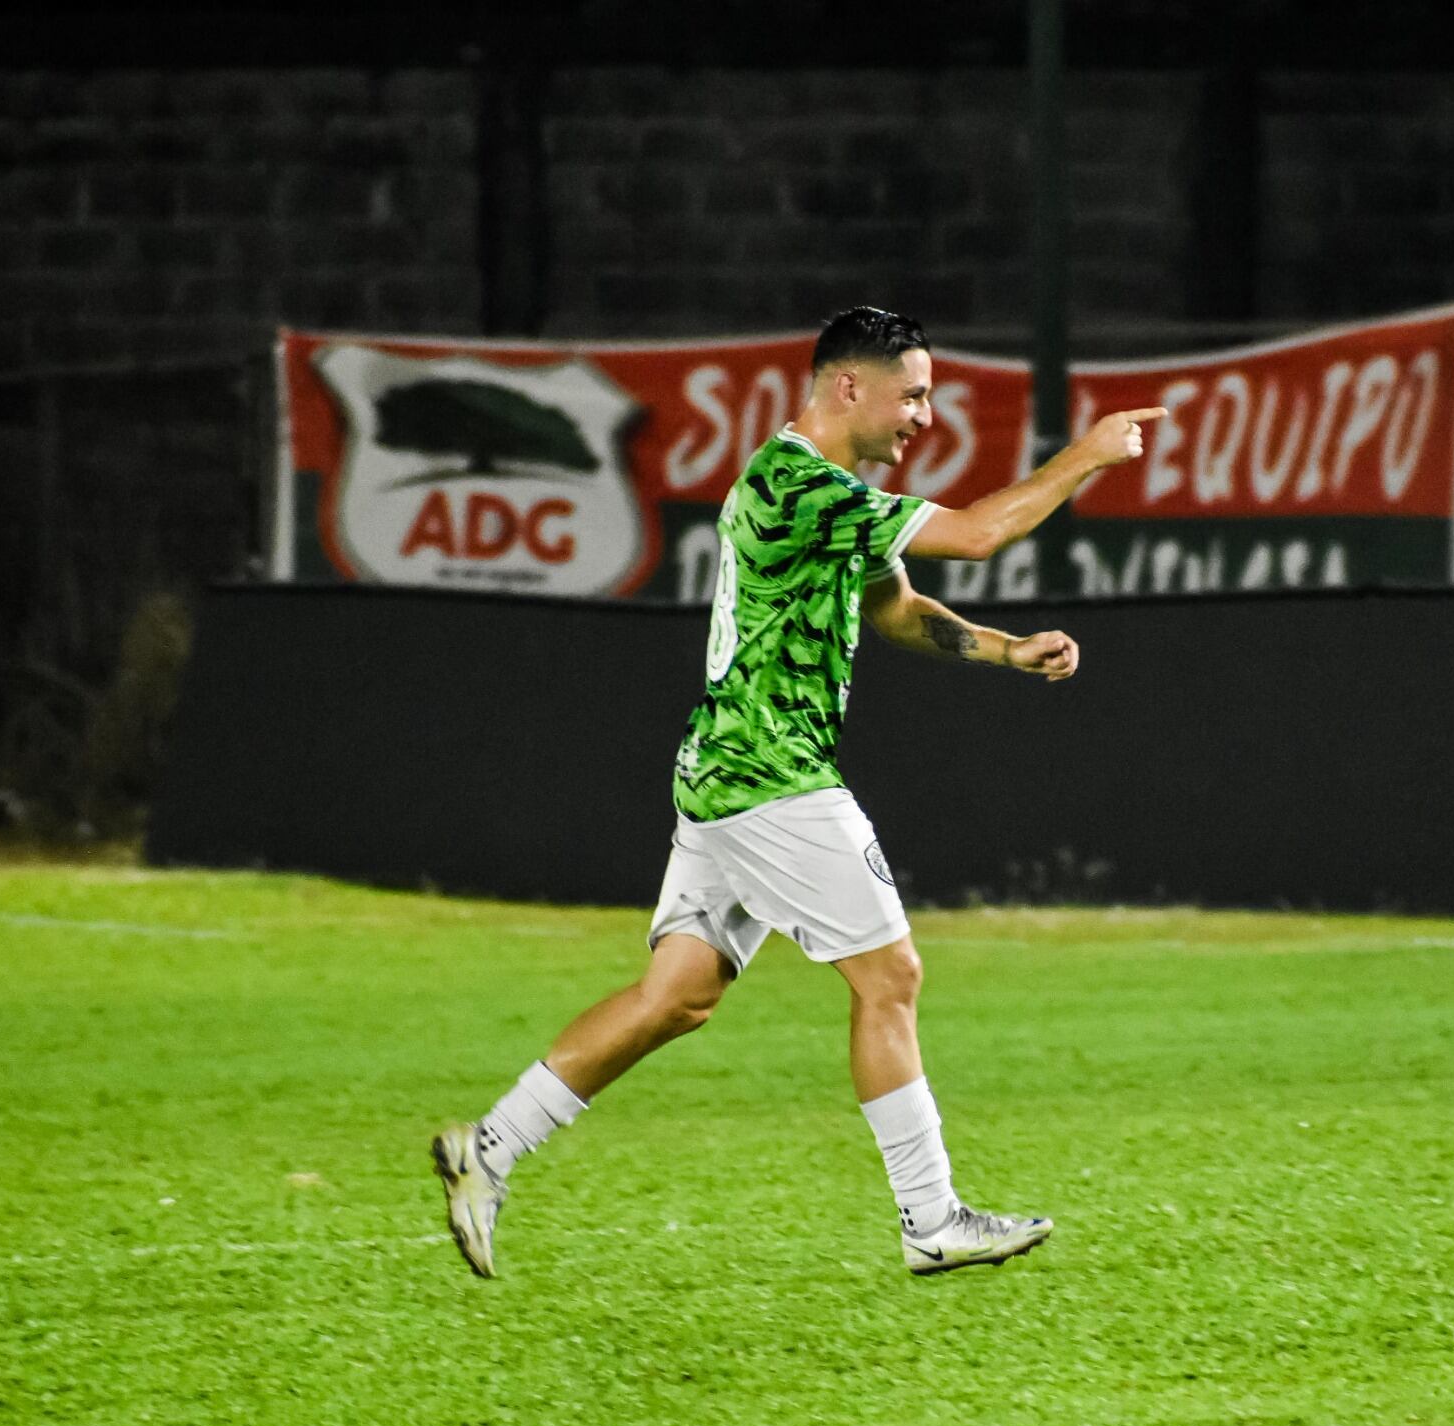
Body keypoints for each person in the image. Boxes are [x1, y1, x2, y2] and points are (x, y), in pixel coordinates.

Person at [431, 306, 1165, 1277]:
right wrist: (1090, 454)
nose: (924, 417)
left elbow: (894, 608)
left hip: (724, 771)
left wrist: (1007, 649)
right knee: (890, 976)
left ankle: (487, 1146)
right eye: (912, 395)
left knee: (674, 997)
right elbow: (984, 531)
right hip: (771, 773)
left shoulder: (828, 494)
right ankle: (931, 1216)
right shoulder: (796, 485)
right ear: (846, 386)